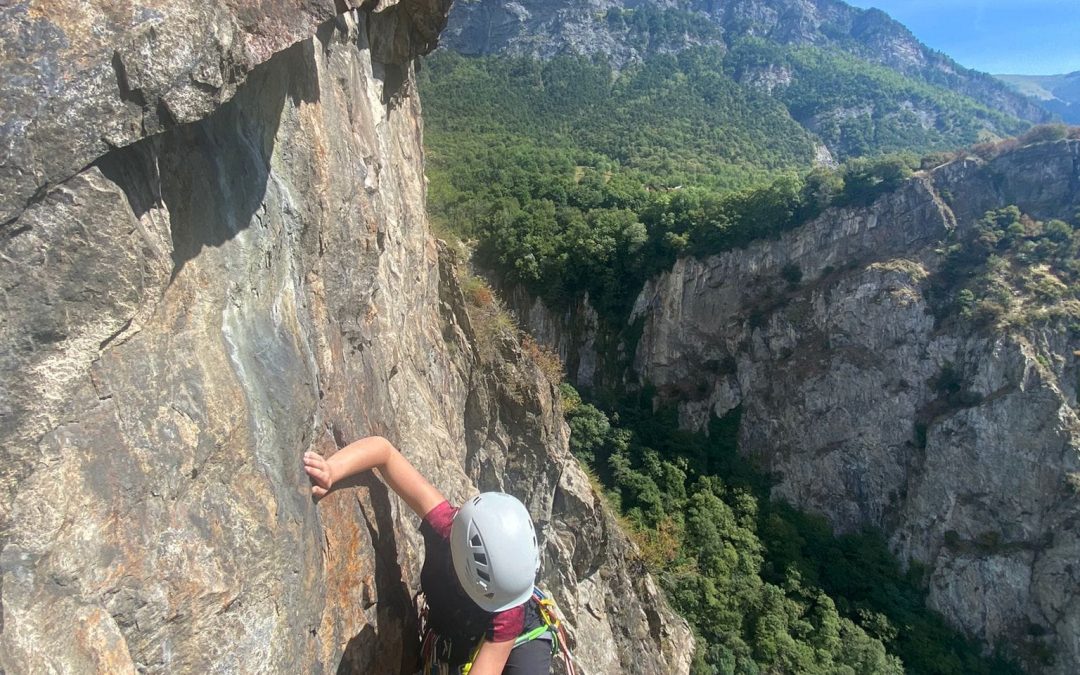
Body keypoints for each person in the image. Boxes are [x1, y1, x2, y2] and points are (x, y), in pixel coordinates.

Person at [303, 436, 553, 675]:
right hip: (459, 635)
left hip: (521, 638)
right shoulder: (447, 527)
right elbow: (384, 452)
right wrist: (332, 469)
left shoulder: (509, 610)